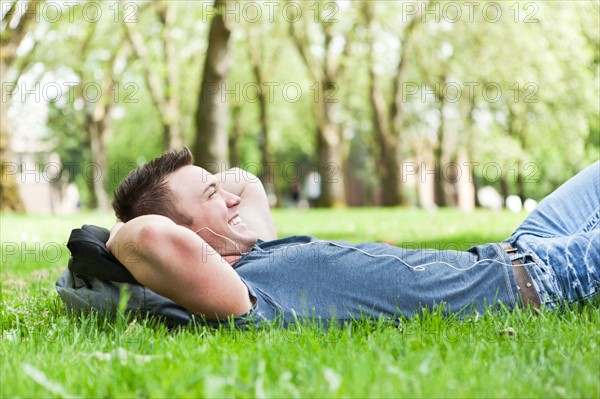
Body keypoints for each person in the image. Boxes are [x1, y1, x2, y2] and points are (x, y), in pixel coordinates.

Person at [106, 148, 599, 325]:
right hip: (548, 279)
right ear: (184, 236)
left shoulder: (255, 248)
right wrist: (137, 220)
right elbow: (145, 235)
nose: (230, 196)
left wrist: (205, 190)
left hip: (523, 245)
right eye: (212, 194)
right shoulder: (246, 298)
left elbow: (246, 183)